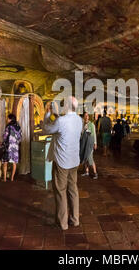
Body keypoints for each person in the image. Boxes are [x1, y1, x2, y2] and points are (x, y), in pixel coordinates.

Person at [42, 96, 83, 230]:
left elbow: (47, 129)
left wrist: (48, 114)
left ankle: (62, 223)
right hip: (74, 161)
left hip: (62, 161)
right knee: (73, 190)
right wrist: (55, 116)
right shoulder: (79, 120)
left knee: (60, 191)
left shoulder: (62, 121)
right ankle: (75, 219)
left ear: (66, 106)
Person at [2, 114, 22, 182]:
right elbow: (20, 138)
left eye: (8, 118)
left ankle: (4, 178)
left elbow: (5, 136)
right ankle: (12, 178)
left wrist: (3, 140)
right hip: (15, 147)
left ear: (10, 119)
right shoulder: (18, 127)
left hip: (8, 146)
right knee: (14, 163)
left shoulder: (8, 126)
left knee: (5, 162)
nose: (7, 120)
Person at [80, 112, 98, 179]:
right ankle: (86, 171)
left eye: (87, 115)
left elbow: (94, 134)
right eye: (85, 115)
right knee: (85, 156)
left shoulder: (91, 124)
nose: (87, 116)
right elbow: (81, 134)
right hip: (84, 143)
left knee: (90, 158)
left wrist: (95, 143)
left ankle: (95, 173)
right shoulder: (82, 124)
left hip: (90, 143)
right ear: (83, 117)